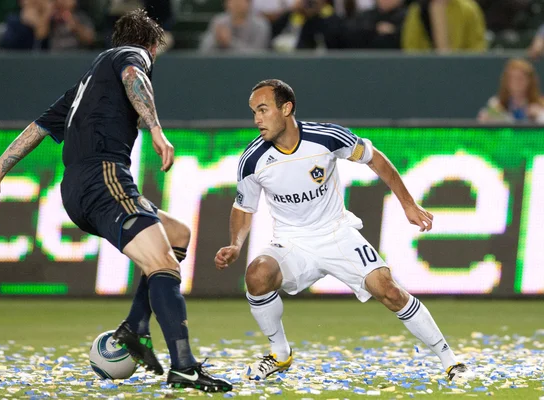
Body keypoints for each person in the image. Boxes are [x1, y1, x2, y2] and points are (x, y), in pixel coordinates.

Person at [0, 9, 232, 393]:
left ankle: (136, 329)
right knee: (165, 266)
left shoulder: (88, 81)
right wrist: (156, 129)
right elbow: (134, 75)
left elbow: (39, 126)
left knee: (177, 234)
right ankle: (184, 367)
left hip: (76, 187)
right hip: (102, 177)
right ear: (152, 46)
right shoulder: (132, 56)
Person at [214, 79, 473, 382]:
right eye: (253, 112)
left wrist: (408, 204)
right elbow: (244, 208)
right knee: (257, 275)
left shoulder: (327, 138)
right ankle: (279, 354)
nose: (257, 119)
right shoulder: (253, 160)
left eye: (262, 109)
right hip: (292, 242)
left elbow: (376, 160)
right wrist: (235, 244)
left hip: (338, 234)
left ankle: (451, 361)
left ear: (286, 108)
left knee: (388, 290)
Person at [478, 58, 544, 124]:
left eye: (520, 78)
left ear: (530, 82)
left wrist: (540, 115)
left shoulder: (541, 105)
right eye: (511, 79)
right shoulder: (495, 104)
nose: (516, 83)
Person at [199, 0, 271, 52]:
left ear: (249, 3)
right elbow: (204, 49)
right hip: (221, 67)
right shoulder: (219, 21)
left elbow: (258, 55)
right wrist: (216, 40)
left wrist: (230, 42)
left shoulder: (261, 25)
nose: (236, 3)